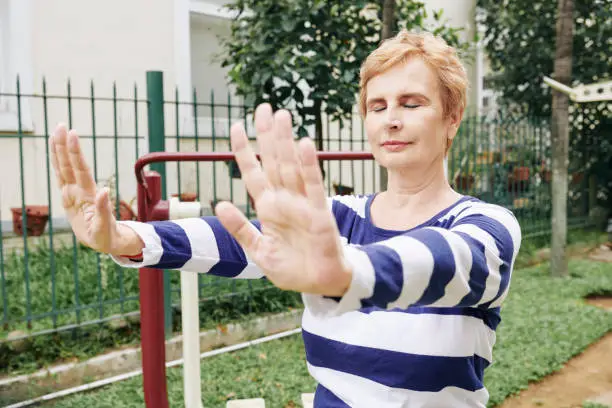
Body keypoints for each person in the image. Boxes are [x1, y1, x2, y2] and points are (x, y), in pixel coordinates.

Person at [50, 30, 521, 407]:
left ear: (452, 116)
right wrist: (124, 236)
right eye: (377, 106)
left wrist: (347, 272)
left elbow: (442, 262)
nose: (390, 120)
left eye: (411, 103)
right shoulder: (340, 216)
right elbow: (241, 240)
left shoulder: (485, 226)